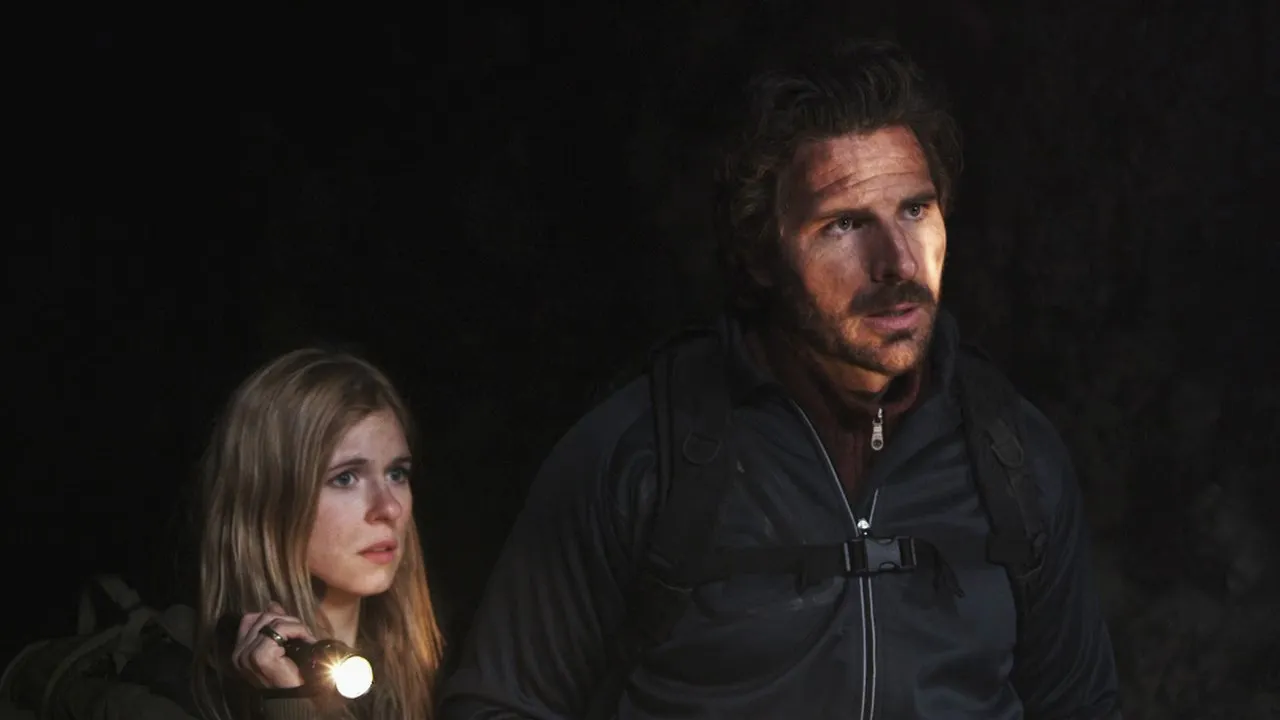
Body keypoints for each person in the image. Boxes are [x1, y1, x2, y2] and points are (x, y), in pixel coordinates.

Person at [439, 39, 1121, 719]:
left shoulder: (1013, 453)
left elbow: (1082, 707)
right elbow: (497, 705)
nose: (897, 262)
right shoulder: (641, 454)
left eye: (915, 210)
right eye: (844, 224)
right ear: (763, 254)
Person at [190, 348, 444, 719]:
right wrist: (288, 702)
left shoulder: (439, 673)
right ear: (269, 500)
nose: (389, 508)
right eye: (345, 478)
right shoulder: (181, 696)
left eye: (396, 474)